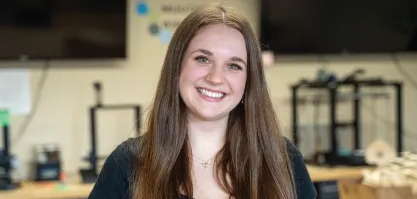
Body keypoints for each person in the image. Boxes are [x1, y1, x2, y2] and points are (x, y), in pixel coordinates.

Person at [88, 3, 316, 199]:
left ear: (249, 81)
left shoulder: (283, 159)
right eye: (203, 59)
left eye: (234, 65)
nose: (215, 78)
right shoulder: (127, 163)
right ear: (177, 67)